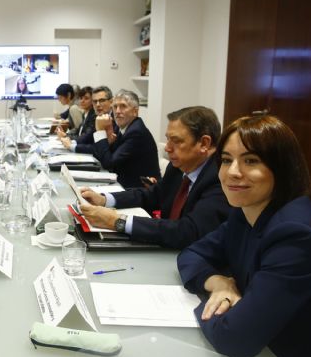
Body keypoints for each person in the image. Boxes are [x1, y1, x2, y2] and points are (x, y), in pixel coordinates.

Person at [177, 115, 311, 357]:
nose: (233, 172)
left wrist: (206, 305)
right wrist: (219, 284)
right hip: (268, 351)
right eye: (227, 160)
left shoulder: (297, 234)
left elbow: (236, 339)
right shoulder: (247, 212)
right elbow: (191, 253)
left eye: (251, 161)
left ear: (282, 167)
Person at [80, 106, 230, 249]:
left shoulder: (221, 178)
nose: (167, 147)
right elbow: (153, 195)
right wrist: (104, 199)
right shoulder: (179, 166)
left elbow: (188, 231)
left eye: (176, 141)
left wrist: (117, 221)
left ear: (204, 143)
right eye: (168, 139)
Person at [90, 90, 160, 188]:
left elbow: (108, 164)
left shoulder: (136, 132)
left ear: (135, 111)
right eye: (115, 107)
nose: (117, 111)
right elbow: (100, 158)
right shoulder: (121, 127)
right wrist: (108, 142)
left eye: (123, 106)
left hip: (137, 190)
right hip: (121, 182)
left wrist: (100, 132)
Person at [60, 86, 115, 154]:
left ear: (111, 102)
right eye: (95, 101)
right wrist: (70, 142)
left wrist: (72, 145)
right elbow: (88, 137)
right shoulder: (97, 117)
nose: (97, 105)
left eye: (101, 100)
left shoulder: (116, 120)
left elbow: (97, 148)